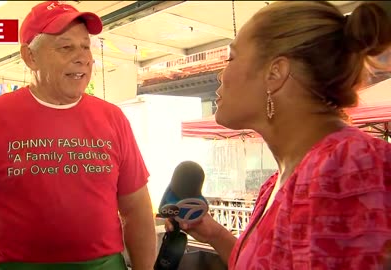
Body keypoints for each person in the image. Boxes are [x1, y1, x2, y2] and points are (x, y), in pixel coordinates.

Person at [0, 1, 157, 269]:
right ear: (30, 56)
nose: (83, 57)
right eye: (66, 47)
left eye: (86, 46)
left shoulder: (113, 118)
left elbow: (137, 208)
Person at [167, 1, 391, 269]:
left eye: (231, 58)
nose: (220, 75)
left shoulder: (348, 169)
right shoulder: (280, 181)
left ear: (275, 73)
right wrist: (214, 233)